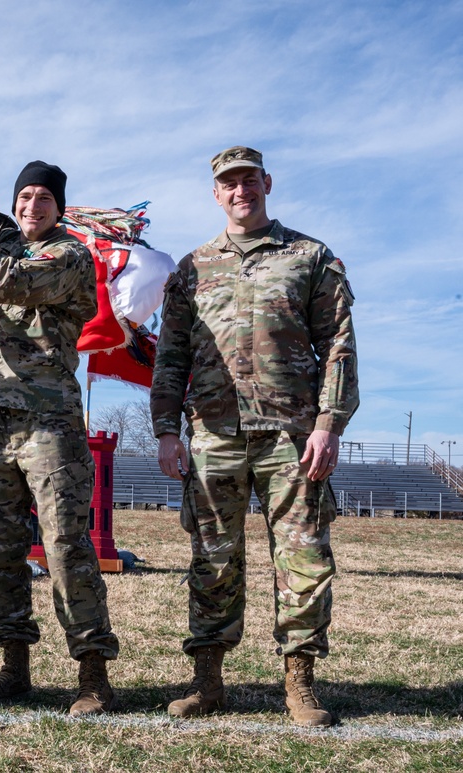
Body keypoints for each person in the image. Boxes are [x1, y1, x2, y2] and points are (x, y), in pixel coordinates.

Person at [150, 146, 358, 727]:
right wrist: (166, 430)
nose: (240, 191)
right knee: (213, 559)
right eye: (228, 183)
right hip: (213, 434)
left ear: (266, 183)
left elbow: (338, 344)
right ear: (215, 193)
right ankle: (208, 683)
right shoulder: (191, 269)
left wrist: (328, 424)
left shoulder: (309, 256)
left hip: (291, 435)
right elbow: (170, 357)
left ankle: (300, 685)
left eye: (249, 180)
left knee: (304, 561)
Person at [0, 71, 119, 717]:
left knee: (67, 544)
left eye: (43, 197)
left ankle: (92, 674)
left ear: (58, 208)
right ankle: (13, 663)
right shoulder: (3, 237)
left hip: (49, 420)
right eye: (25, 196)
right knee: (2, 545)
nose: (32, 205)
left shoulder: (68, 256)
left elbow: (8, 282)